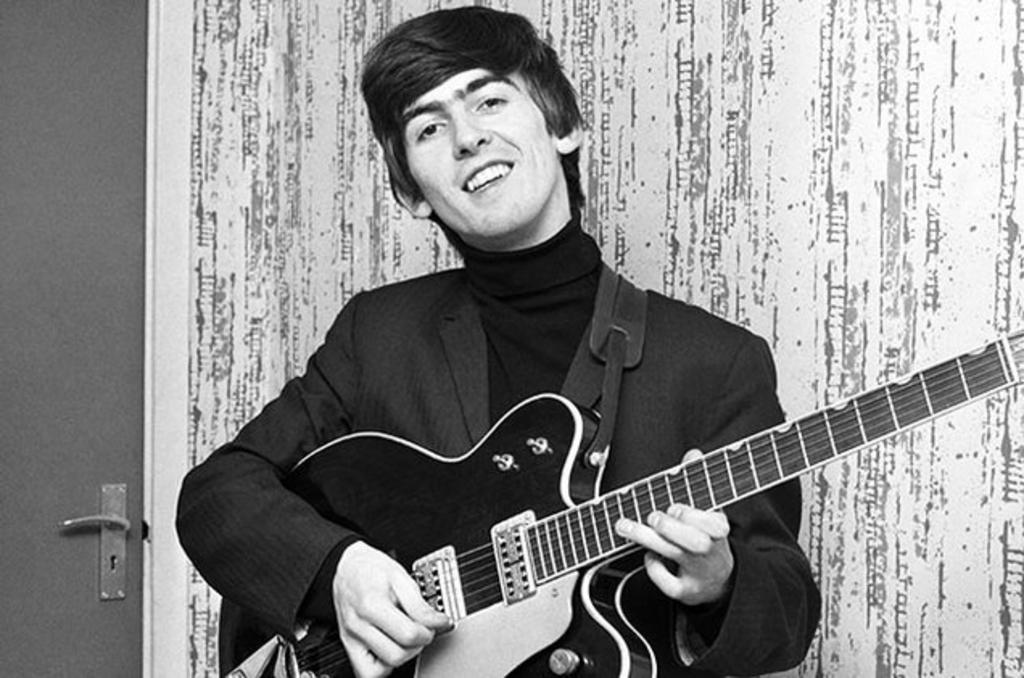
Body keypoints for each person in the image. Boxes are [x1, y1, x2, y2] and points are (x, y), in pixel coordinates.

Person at [176, 6, 821, 678]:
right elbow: (217, 495)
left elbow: (790, 616)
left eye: (488, 99)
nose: (468, 137)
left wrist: (720, 583)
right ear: (412, 193)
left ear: (562, 126)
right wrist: (338, 571)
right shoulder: (379, 334)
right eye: (429, 127)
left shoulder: (716, 361)